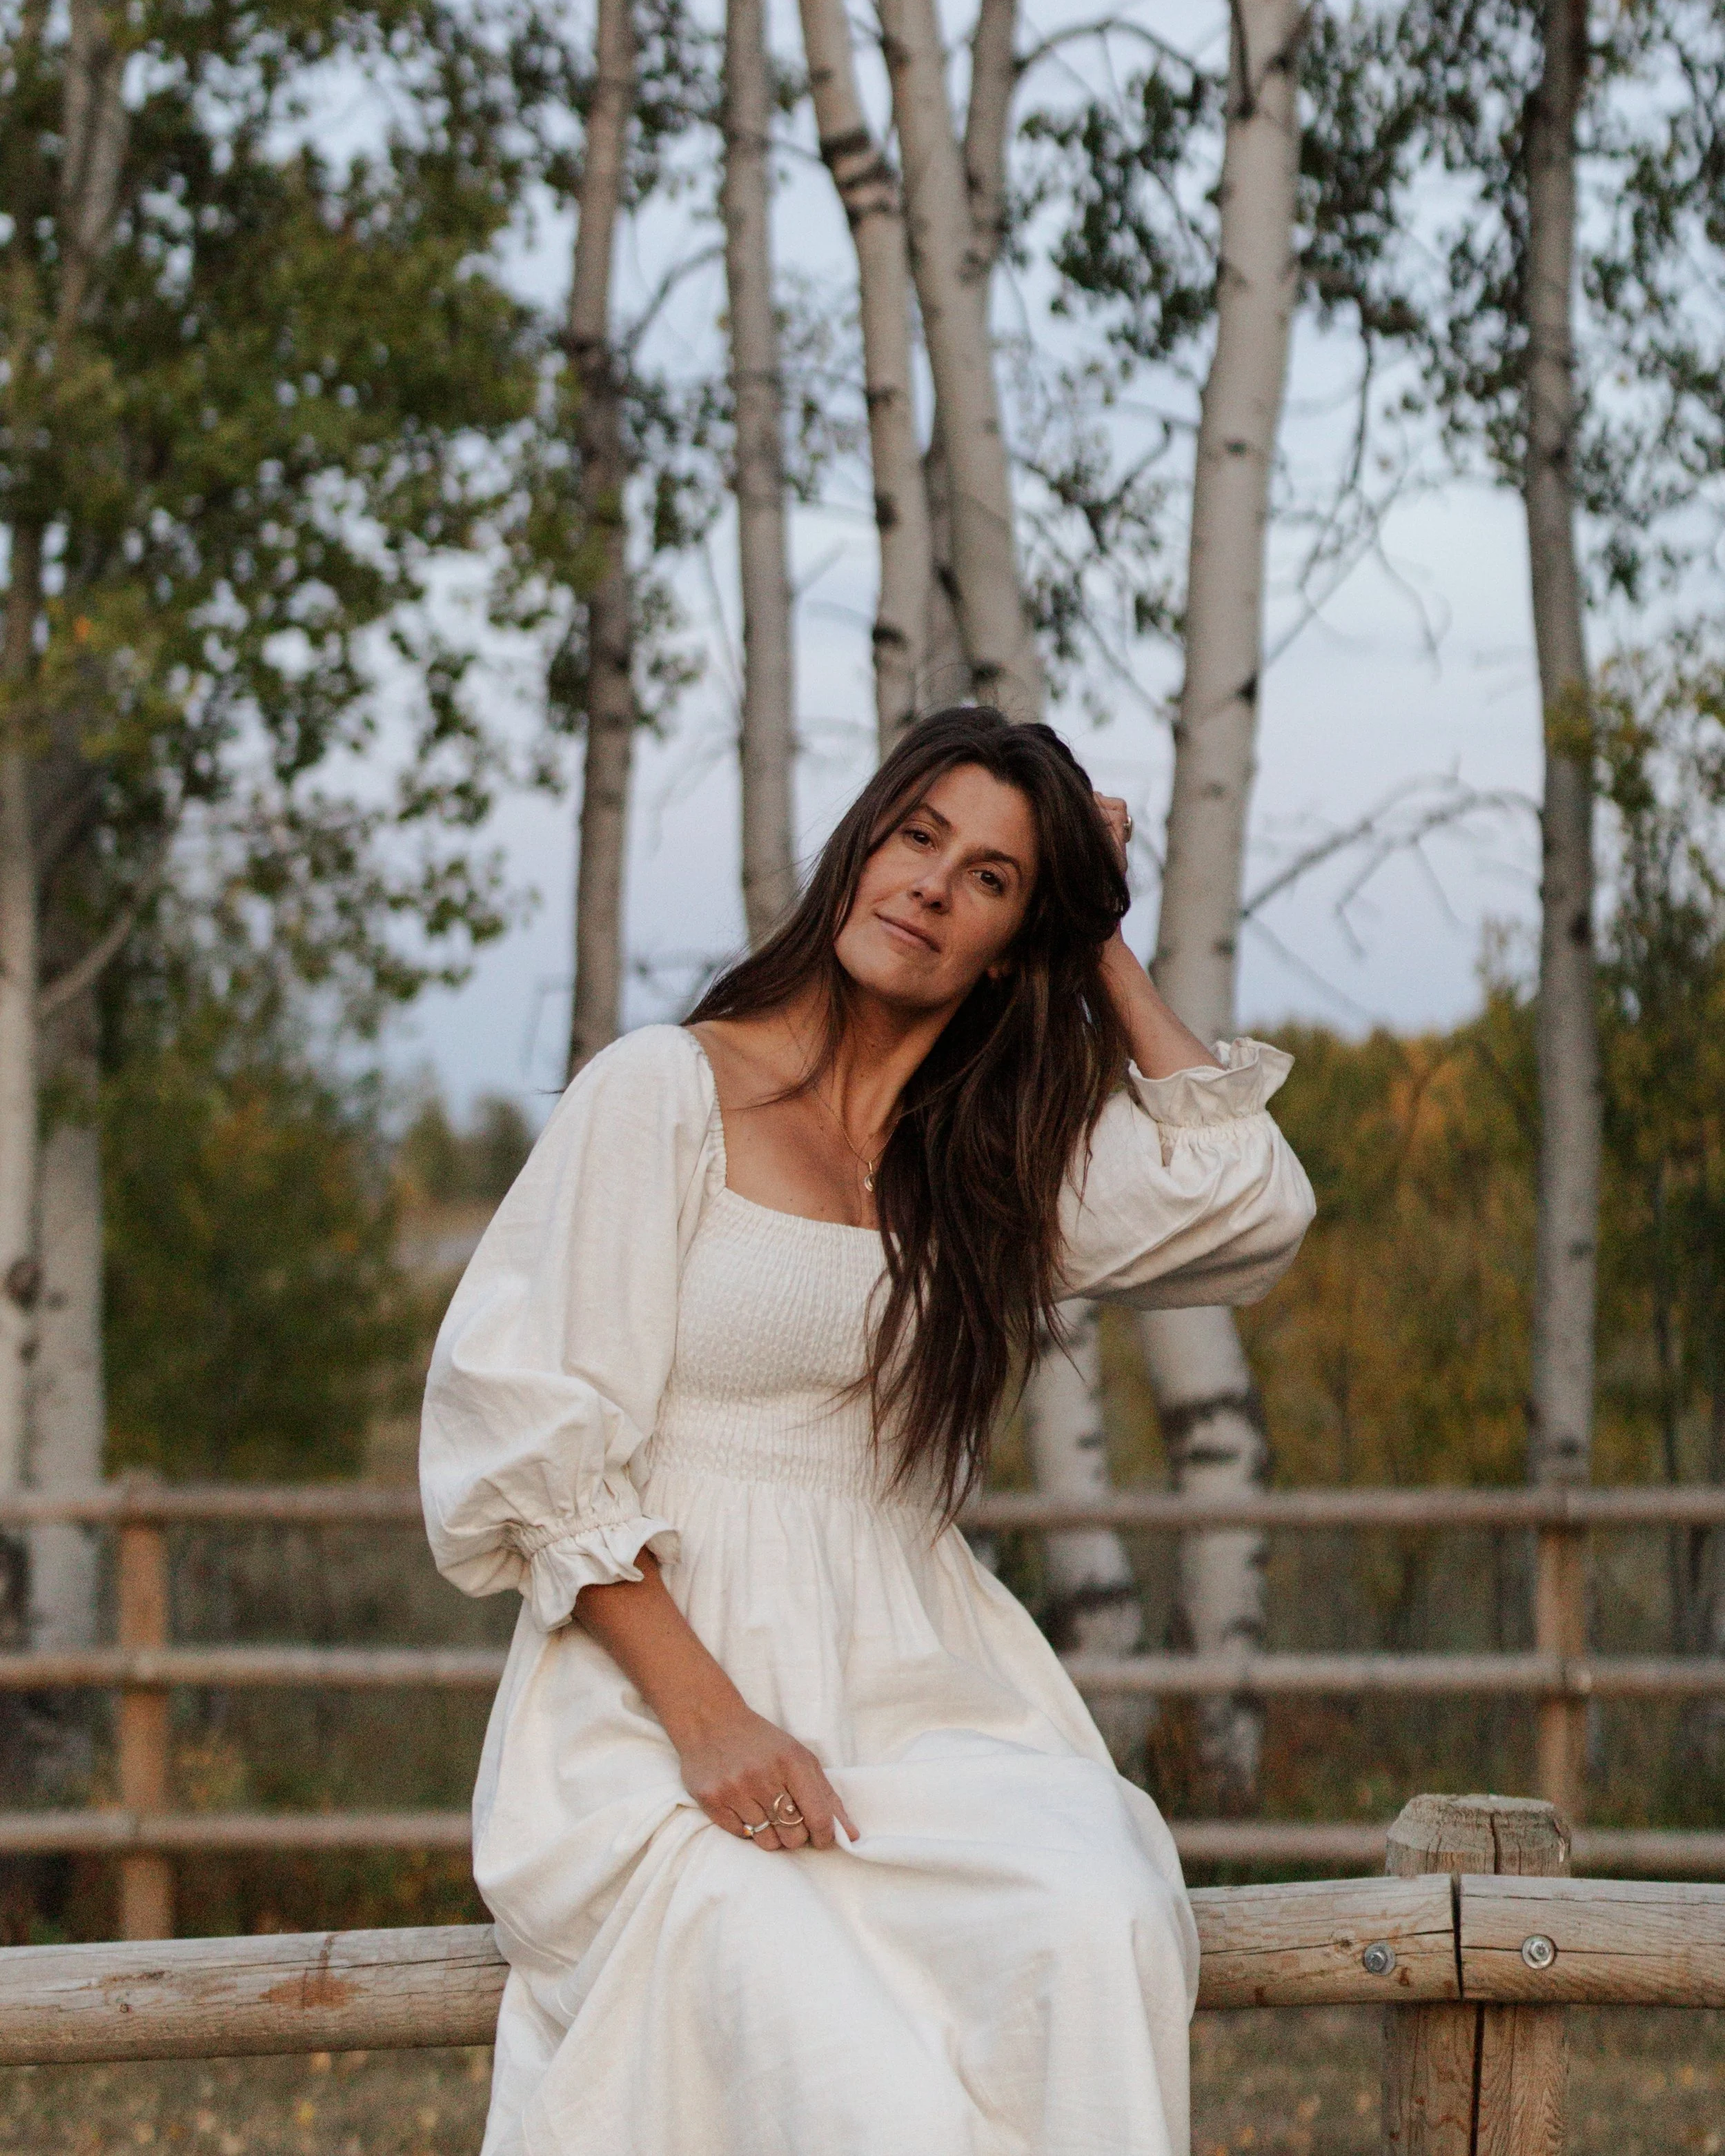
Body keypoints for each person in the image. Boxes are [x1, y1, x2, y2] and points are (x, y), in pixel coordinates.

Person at [420, 707, 1315, 2156]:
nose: (930, 886)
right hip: (659, 1704)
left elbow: (1245, 1200)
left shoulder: (986, 1170)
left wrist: (1098, 933)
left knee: (1100, 1908)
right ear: (858, 848)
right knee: (858, 2087)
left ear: (1009, 945)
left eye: (989, 879)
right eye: (916, 839)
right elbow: (519, 1433)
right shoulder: (664, 1091)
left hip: (924, 1691)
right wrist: (708, 1722)